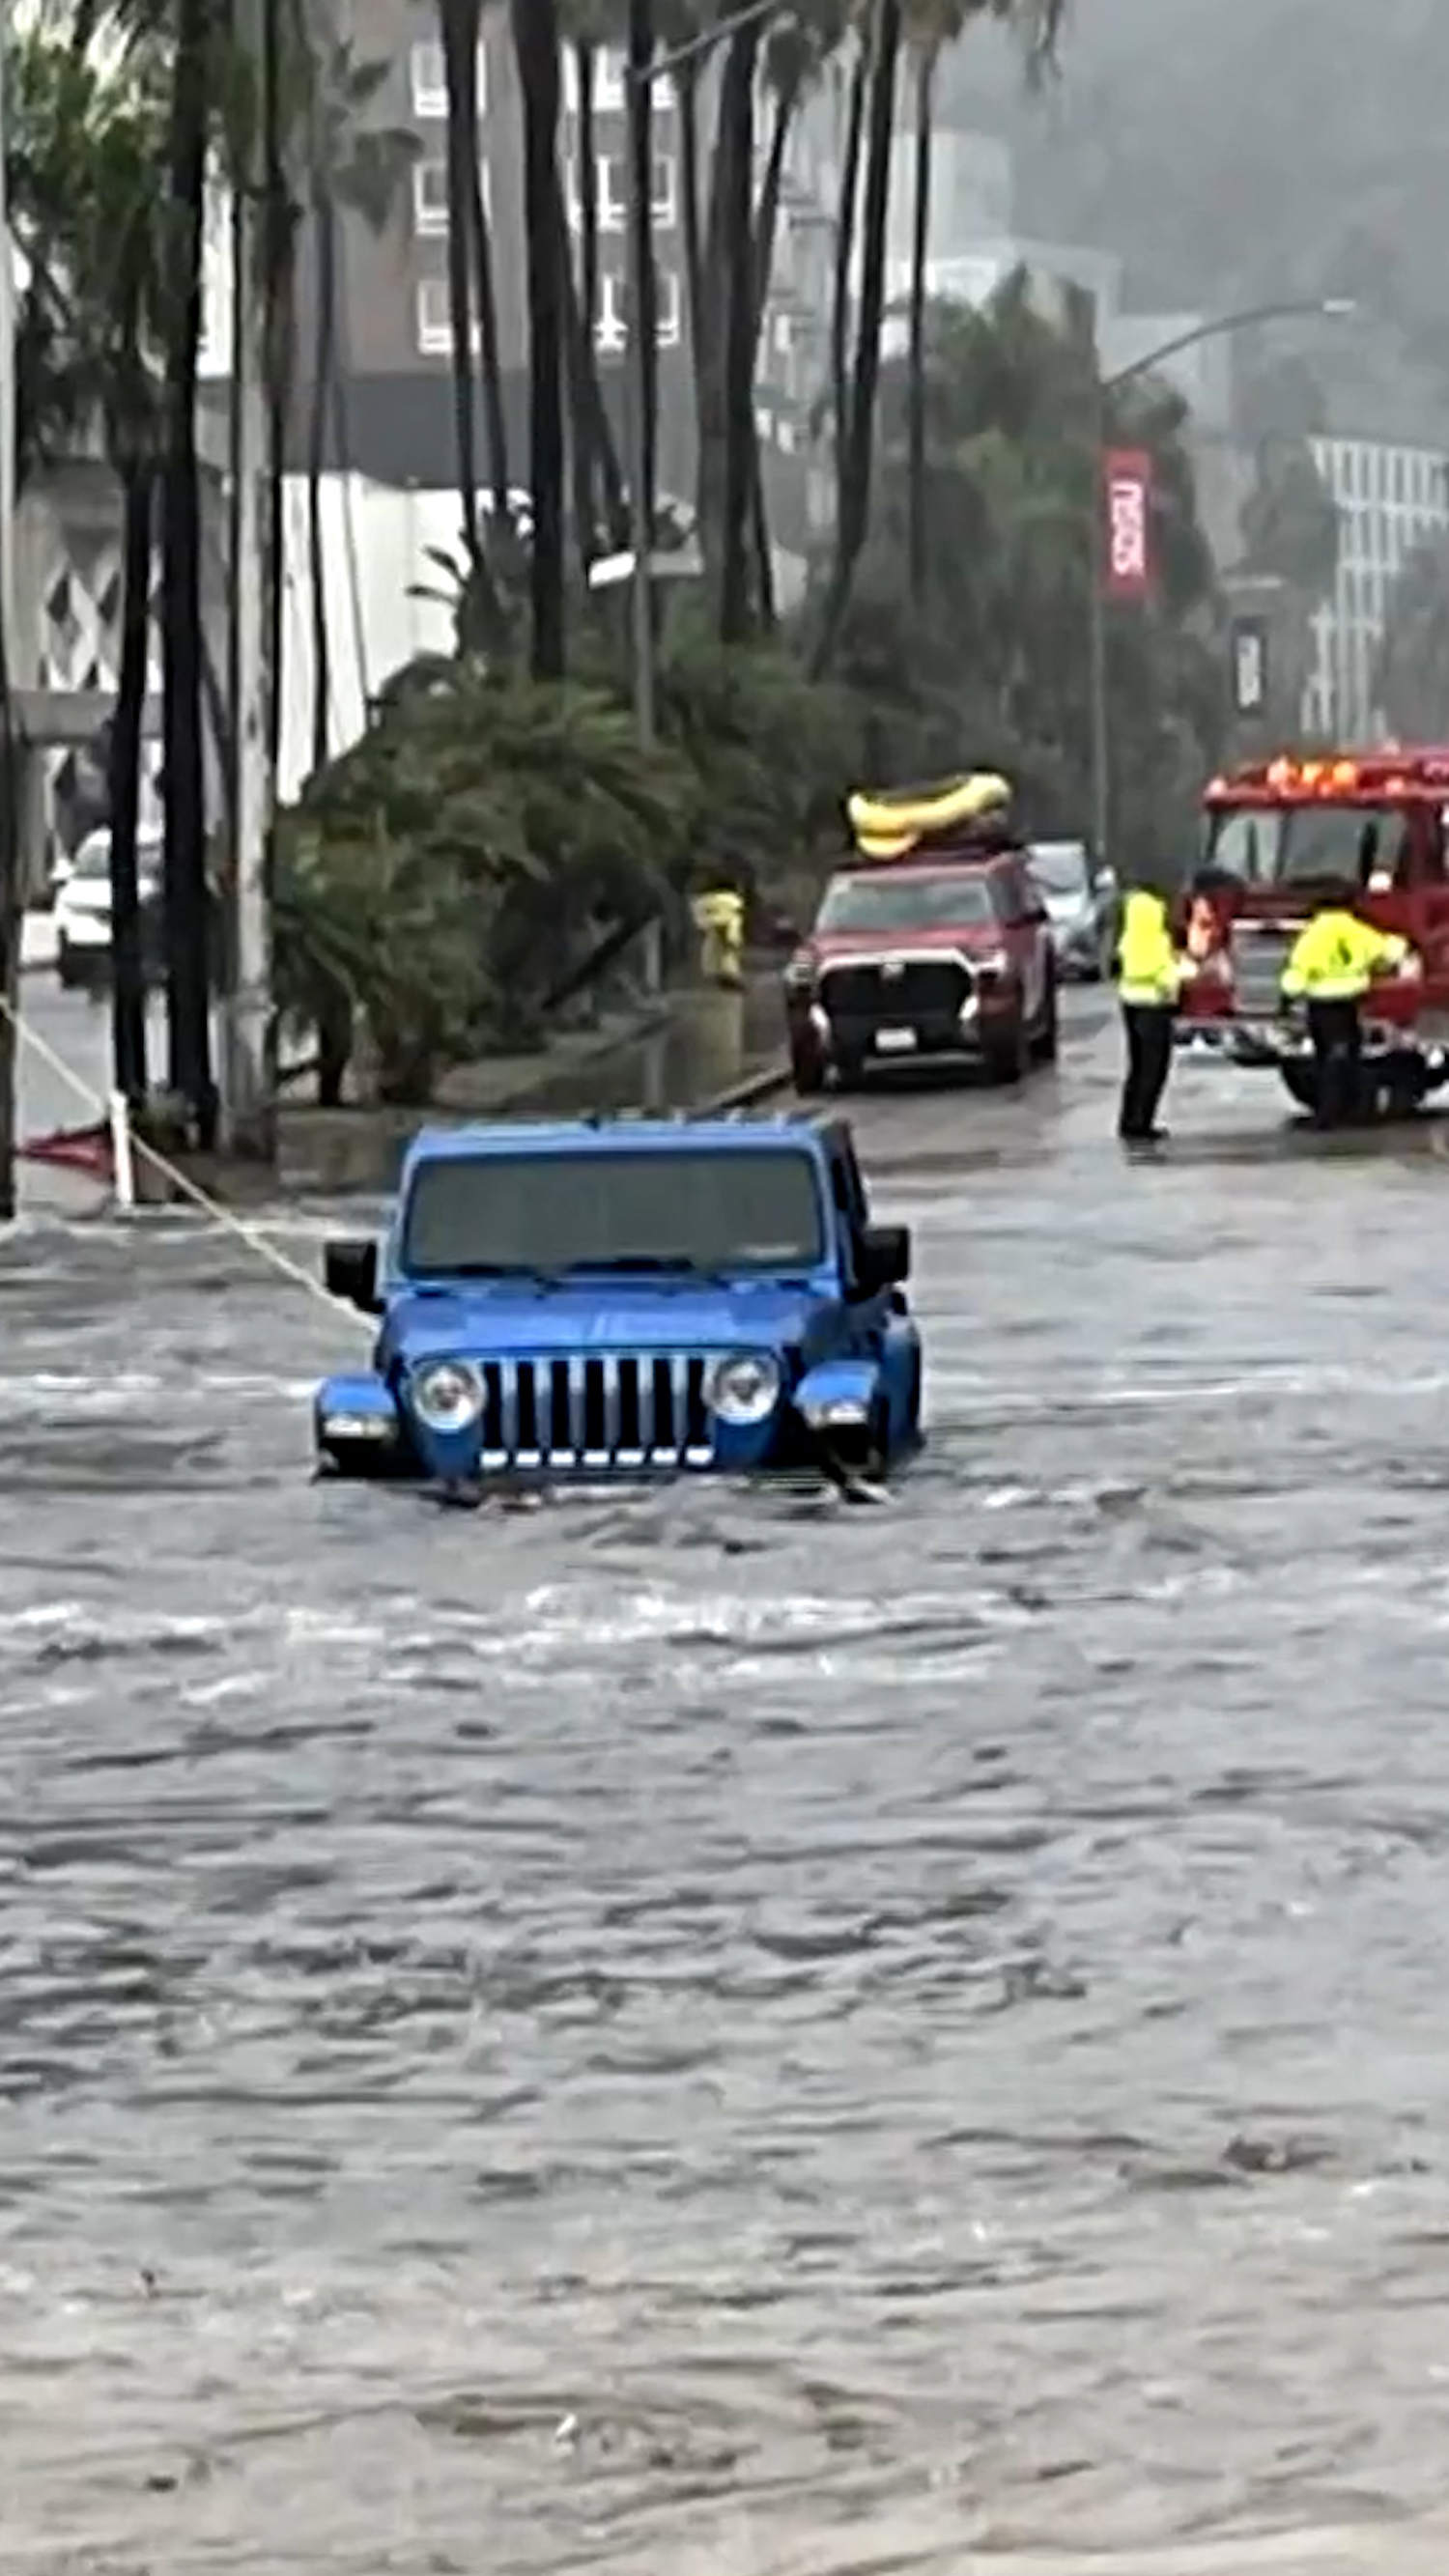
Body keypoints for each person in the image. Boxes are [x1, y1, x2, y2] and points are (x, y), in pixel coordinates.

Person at [1279, 895, 1416, 1128]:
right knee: (1348, 1054)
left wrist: (1287, 997)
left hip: (1322, 1003)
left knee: (1327, 1058)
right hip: (1350, 1002)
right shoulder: (1356, 929)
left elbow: (1300, 969)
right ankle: (1357, 1108)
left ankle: (1328, 1113)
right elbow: (1387, 948)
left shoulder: (1314, 935)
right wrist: (1408, 948)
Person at [1117, 880, 1192, 1144]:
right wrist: (1187, 970)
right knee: (1153, 1069)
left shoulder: (1130, 938)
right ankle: (1142, 1125)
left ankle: (1129, 1121)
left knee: (1137, 1068)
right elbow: (1166, 975)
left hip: (1131, 1004)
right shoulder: (1157, 941)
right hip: (1154, 1007)